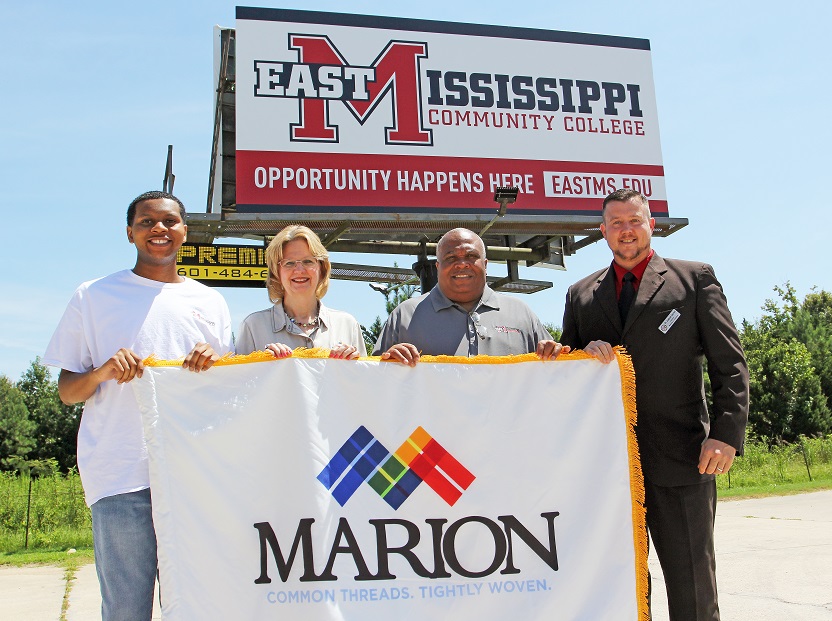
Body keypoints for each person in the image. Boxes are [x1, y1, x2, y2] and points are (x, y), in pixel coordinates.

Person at [546, 188, 748, 621]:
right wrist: (580, 354)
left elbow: (729, 364)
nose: (626, 230)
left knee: (691, 584)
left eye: (634, 220)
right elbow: (567, 377)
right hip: (609, 470)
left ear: (651, 224)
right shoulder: (580, 294)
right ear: (602, 232)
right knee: (618, 588)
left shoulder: (693, 280)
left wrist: (726, 436)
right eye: (616, 223)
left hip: (683, 459)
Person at [43, 190, 234, 620]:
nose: (159, 230)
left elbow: (226, 395)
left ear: (185, 231)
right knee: (126, 611)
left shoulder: (210, 302)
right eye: (146, 223)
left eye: (169, 221)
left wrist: (216, 366)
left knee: (196, 608)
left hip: (192, 477)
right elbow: (68, 391)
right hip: (120, 476)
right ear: (129, 233)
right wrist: (101, 373)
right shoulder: (93, 296)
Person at [373, 228, 555, 363]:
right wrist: (387, 361)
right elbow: (373, 381)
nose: (461, 264)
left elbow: (556, 378)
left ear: (485, 264)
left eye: (471, 256)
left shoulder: (520, 313)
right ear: (438, 267)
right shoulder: (405, 315)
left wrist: (554, 353)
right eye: (451, 257)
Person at [235, 225, 366, 358]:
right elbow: (239, 378)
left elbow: (364, 378)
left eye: (308, 261)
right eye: (289, 263)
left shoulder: (348, 325)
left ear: (322, 268)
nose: (299, 270)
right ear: (276, 273)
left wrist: (352, 364)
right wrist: (264, 364)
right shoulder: (253, 327)